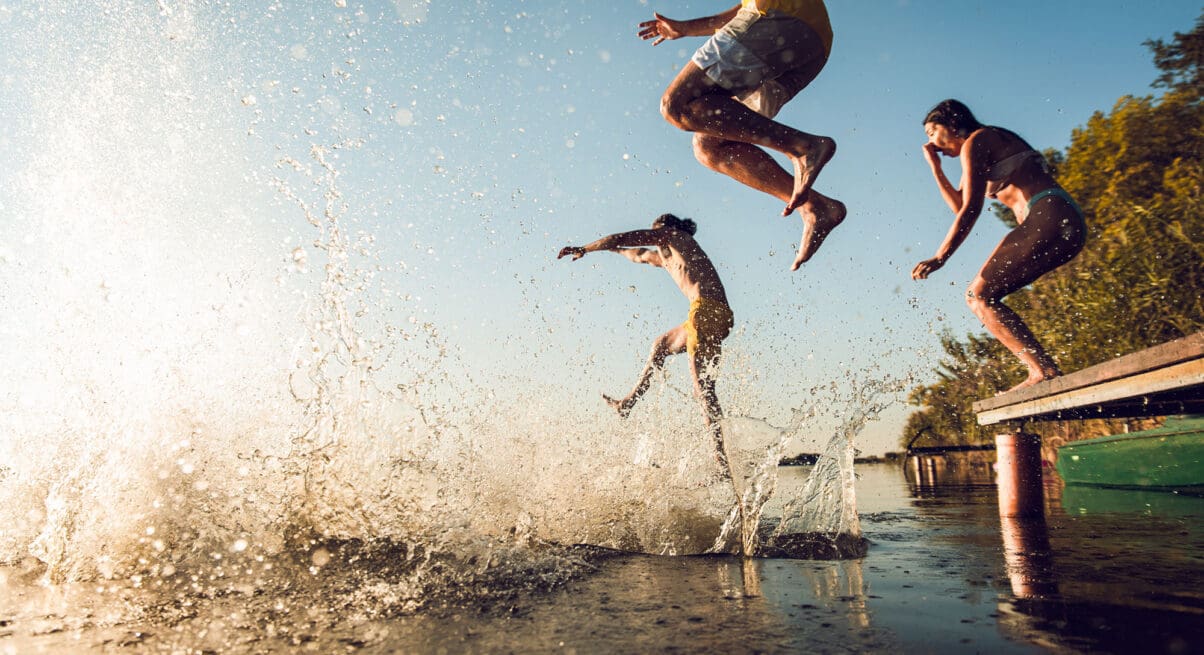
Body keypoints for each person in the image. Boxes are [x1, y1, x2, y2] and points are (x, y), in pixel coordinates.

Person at [638, 2, 845, 270]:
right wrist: (687, 28)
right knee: (710, 146)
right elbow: (743, 8)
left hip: (779, 20)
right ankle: (815, 206)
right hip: (809, 44)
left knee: (678, 105)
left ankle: (803, 147)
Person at [912, 99, 1087, 392]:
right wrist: (935, 168)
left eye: (932, 132)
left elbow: (970, 210)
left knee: (977, 296)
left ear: (952, 124)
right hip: (1064, 221)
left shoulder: (978, 140)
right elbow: (958, 206)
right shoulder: (984, 144)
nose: (931, 143)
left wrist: (940, 256)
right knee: (985, 296)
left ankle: (1042, 370)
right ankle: (1043, 370)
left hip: (1046, 213)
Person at [558, 213, 735, 467]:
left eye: (657, 232)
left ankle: (720, 465)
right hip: (709, 315)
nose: (656, 239)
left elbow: (623, 236)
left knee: (703, 390)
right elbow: (638, 254)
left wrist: (585, 248)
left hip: (705, 311)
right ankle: (628, 402)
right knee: (661, 345)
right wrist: (614, 250)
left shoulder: (676, 236)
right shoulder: (668, 257)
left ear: (668, 229)